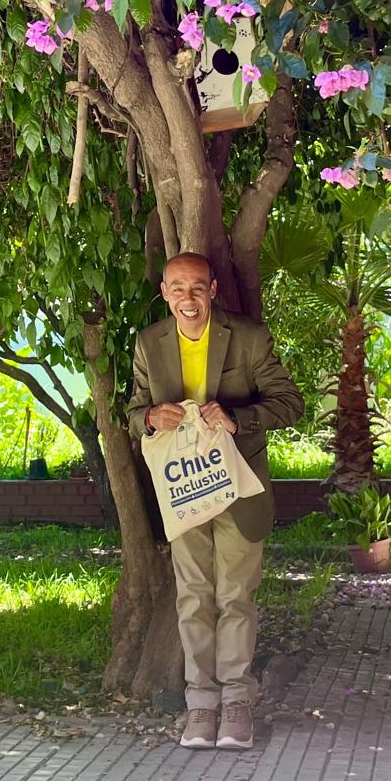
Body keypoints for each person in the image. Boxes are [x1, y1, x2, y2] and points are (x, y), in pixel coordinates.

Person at [127, 251, 304, 751]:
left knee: (234, 599)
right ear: (165, 293)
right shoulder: (149, 343)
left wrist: (237, 418)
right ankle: (200, 706)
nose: (188, 298)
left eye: (197, 288)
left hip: (238, 488)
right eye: (178, 288)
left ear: (213, 290)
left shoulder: (247, 337)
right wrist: (147, 418)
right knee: (193, 599)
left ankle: (237, 705)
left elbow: (290, 403)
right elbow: (134, 406)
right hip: (182, 490)